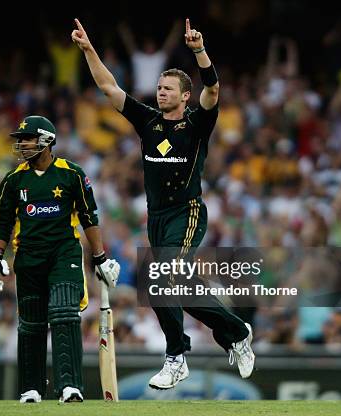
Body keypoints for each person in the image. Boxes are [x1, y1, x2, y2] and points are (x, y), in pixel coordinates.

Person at [73, 18, 255, 389]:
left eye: (168, 88)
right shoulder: (148, 122)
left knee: (164, 276)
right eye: (158, 87)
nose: (160, 92)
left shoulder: (198, 123)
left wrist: (200, 52)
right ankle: (236, 332)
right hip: (156, 217)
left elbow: (214, 89)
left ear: (185, 95)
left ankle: (176, 356)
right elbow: (109, 87)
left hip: (187, 213)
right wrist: (89, 50)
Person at [0, 115, 120, 403]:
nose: (21, 144)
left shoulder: (71, 174)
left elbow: (88, 217)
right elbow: (3, 222)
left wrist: (101, 258)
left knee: (64, 312)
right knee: (30, 323)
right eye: (20, 139)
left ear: (45, 140)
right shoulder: (13, 179)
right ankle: (31, 388)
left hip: (64, 252)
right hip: (28, 256)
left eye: (27, 138)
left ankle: (70, 386)